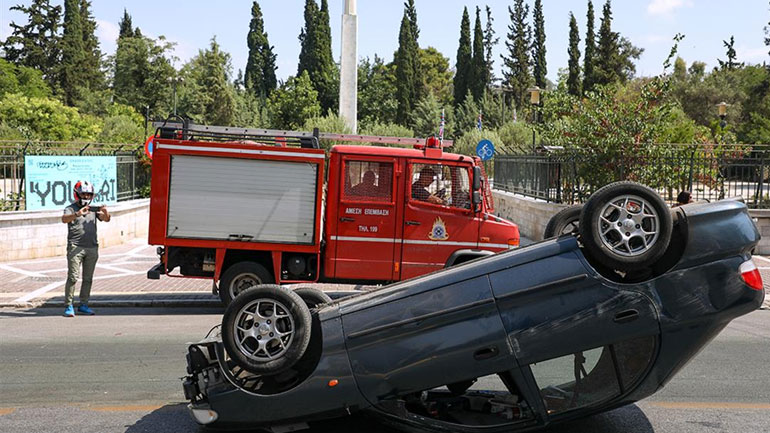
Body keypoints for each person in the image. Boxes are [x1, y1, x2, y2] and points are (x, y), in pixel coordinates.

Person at [61, 180, 111, 317]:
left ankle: (84, 304)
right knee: (73, 277)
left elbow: (106, 219)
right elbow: (64, 219)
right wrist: (78, 214)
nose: (86, 197)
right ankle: (68, 305)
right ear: (77, 194)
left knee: (88, 278)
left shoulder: (92, 209)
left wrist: (105, 212)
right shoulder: (71, 208)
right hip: (75, 247)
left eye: (89, 194)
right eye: (84, 194)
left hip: (92, 247)